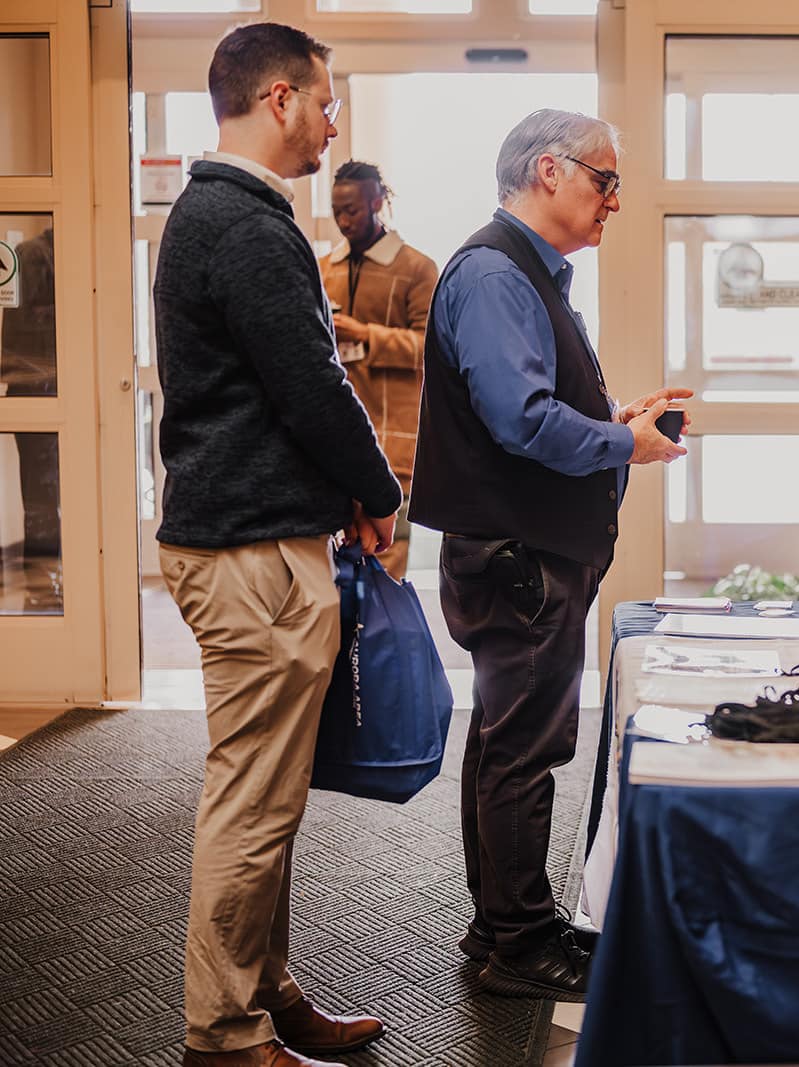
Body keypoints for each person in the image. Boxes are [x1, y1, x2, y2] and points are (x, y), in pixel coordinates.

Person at [153, 23, 399, 1067]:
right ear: (280, 99)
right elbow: (312, 386)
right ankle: (225, 1031)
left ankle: (265, 990)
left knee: (268, 795)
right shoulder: (247, 224)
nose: (332, 124)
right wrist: (378, 487)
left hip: (252, 536)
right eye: (326, 101)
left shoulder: (216, 216)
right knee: (253, 800)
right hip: (252, 552)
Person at [409, 108, 690, 1001]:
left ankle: (505, 924)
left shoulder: (522, 274)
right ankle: (520, 944)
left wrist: (613, 424)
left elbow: (530, 412)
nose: (616, 198)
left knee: (505, 742)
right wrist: (627, 446)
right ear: (547, 171)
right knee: (523, 748)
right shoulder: (496, 275)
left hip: (522, 552)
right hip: (521, 559)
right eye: (606, 179)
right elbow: (521, 421)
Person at [318, 160, 439, 578]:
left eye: (352, 210)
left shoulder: (417, 269)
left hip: (397, 447)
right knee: (335, 573)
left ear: (377, 203)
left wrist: (365, 335)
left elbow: (431, 351)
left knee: (387, 567)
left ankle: (386, 645)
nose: (343, 220)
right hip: (336, 443)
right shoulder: (323, 269)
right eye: (337, 211)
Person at [0, 226, 62, 609]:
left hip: (42, 386)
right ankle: (45, 592)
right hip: (39, 387)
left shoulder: (38, 254)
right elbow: (24, 326)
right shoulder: (33, 255)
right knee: (43, 498)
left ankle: (48, 589)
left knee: (46, 496)